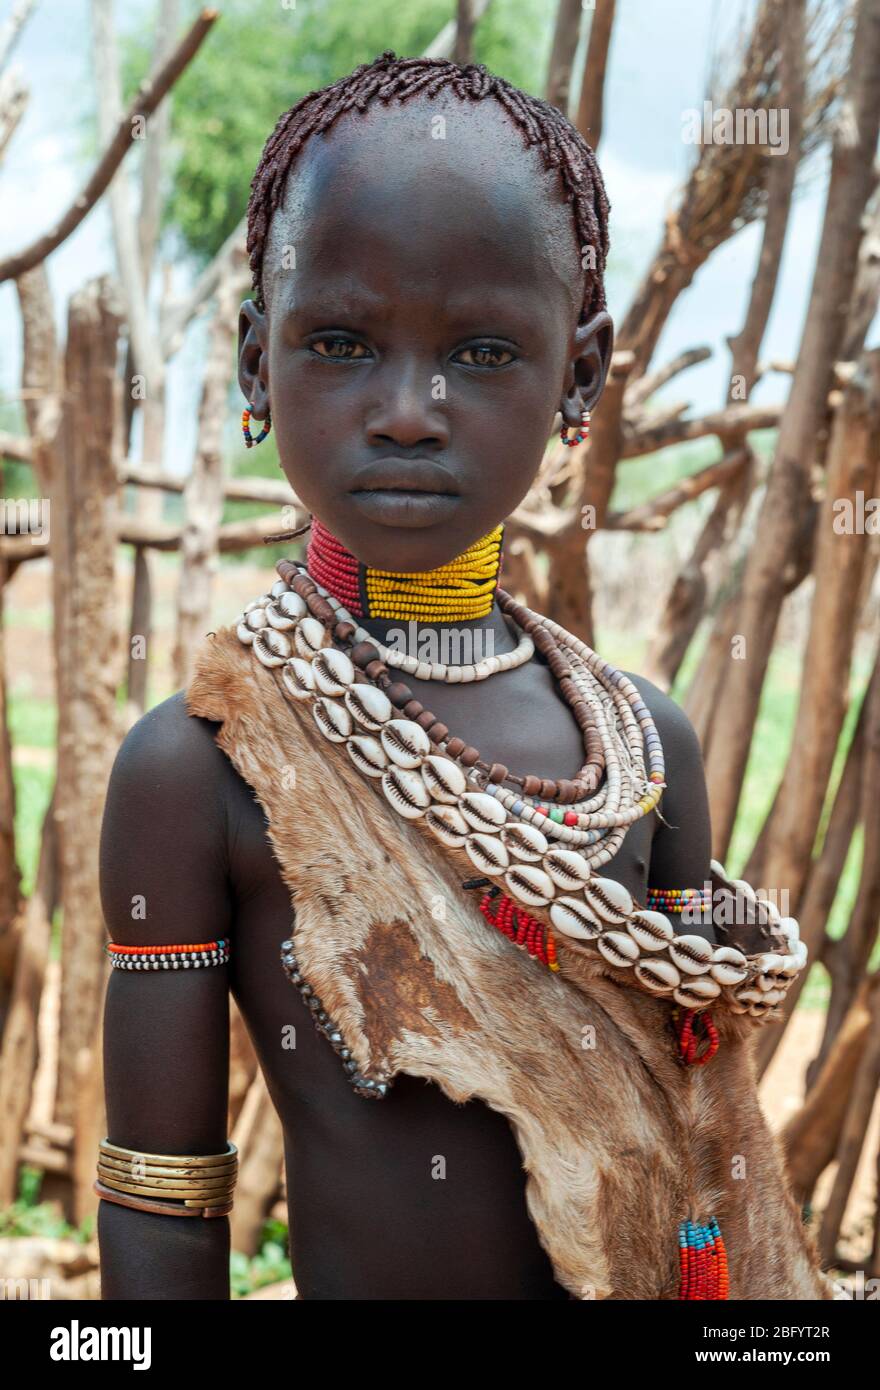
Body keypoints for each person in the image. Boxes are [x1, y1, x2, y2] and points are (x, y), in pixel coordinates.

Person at [96, 51, 828, 1301]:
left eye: (483, 352)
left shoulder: (642, 750)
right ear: (254, 363)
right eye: (340, 340)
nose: (408, 410)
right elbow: (162, 1203)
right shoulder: (204, 764)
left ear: (581, 374)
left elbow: (708, 1159)